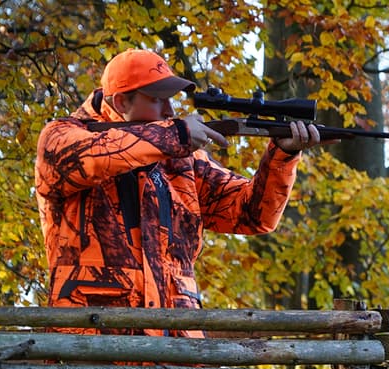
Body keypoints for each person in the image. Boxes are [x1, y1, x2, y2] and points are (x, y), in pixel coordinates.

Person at [34, 48, 321, 336]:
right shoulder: (60, 138)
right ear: (120, 101)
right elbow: (95, 156)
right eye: (157, 99)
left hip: (176, 346)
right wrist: (177, 135)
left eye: (171, 99)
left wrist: (283, 155)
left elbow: (253, 215)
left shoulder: (183, 161)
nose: (170, 111)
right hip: (93, 343)